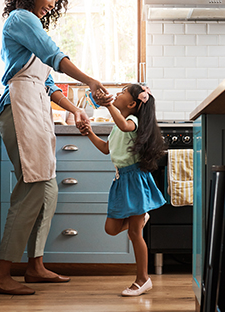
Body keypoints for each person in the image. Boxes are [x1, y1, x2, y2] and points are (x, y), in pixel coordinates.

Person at [0, 0, 110, 296]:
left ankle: (35, 265)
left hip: (35, 105)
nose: (51, 4)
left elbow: (48, 83)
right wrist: (90, 81)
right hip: (18, 106)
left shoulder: (33, 25)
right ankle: (1, 274)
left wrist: (75, 109)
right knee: (33, 186)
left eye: (56, 0)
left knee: (47, 189)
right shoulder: (21, 18)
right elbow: (54, 55)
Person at [79, 84, 166, 296]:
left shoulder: (132, 121)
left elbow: (126, 126)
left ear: (132, 104)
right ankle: (142, 216)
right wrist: (88, 132)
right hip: (121, 179)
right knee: (111, 228)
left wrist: (108, 105)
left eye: (123, 92)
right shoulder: (118, 125)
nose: (118, 93)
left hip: (134, 178)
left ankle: (142, 279)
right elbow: (106, 148)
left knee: (136, 233)